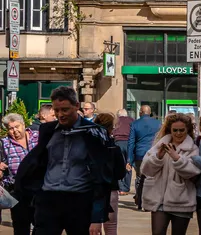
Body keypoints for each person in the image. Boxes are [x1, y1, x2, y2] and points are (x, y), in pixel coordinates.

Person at [14, 86, 121, 235]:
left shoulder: (94, 132)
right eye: (56, 110)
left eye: (65, 110)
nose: (60, 115)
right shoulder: (47, 130)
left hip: (79, 201)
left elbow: (103, 175)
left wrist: (96, 217)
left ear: (77, 106)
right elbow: (38, 162)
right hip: (48, 199)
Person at [139, 113, 200, 235]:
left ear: (187, 130)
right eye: (175, 130)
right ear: (170, 130)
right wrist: (158, 157)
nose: (178, 133)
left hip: (181, 200)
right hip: (159, 200)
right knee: (157, 233)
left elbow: (192, 172)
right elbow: (145, 170)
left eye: (181, 130)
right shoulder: (159, 146)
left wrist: (177, 158)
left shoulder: (192, 149)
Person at [1, 113, 38, 235]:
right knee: (21, 227)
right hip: (17, 190)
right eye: (10, 128)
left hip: (39, 188)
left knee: (41, 225)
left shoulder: (37, 137)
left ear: (23, 124)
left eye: (17, 126)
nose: (14, 131)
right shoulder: (4, 143)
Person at [127, 106, 161, 211]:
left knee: (139, 178)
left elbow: (131, 142)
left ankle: (140, 201)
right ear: (150, 113)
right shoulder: (158, 123)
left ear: (141, 112)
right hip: (154, 154)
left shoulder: (135, 124)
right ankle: (150, 202)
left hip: (140, 154)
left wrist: (129, 159)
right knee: (152, 178)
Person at [110, 111, 132, 196]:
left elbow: (112, 131)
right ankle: (126, 188)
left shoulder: (116, 120)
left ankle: (121, 187)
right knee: (128, 165)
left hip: (118, 142)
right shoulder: (131, 120)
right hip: (129, 143)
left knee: (118, 165)